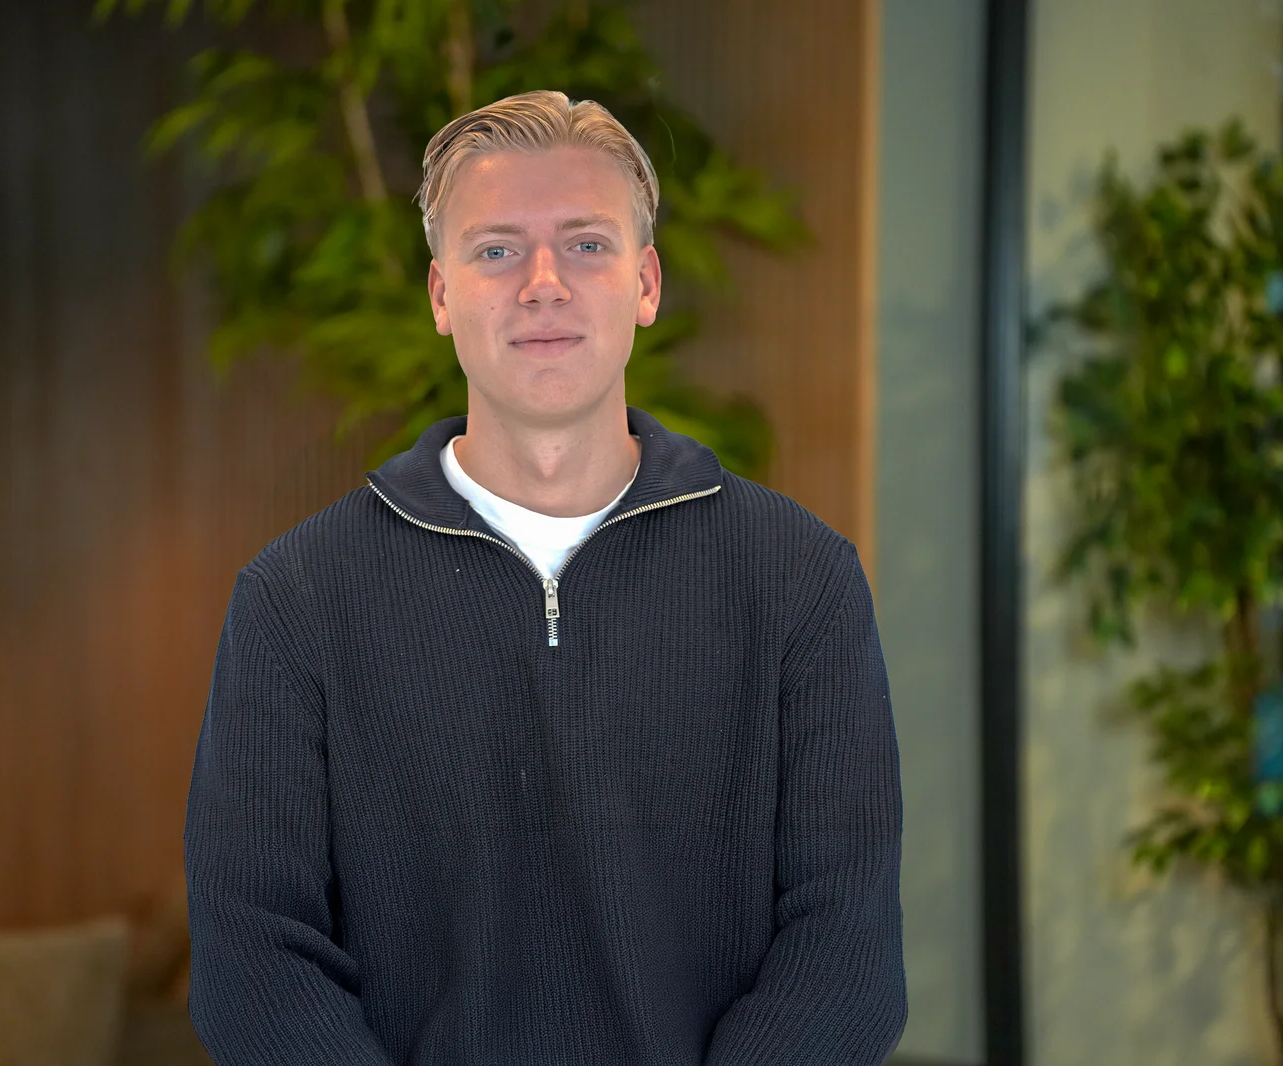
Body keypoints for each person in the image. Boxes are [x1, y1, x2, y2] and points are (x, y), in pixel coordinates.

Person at [184, 89, 906, 1066]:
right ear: (440, 296)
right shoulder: (296, 601)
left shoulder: (800, 582)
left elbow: (845, 953)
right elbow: (254, 963)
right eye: (496, 250)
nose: (543, 284)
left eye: (585, 244)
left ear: (645, 283)